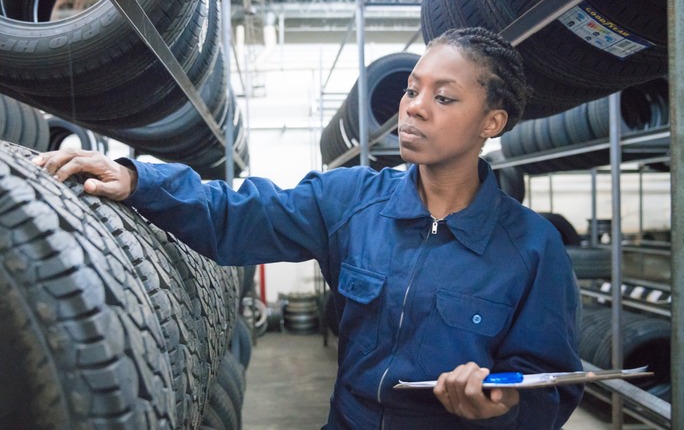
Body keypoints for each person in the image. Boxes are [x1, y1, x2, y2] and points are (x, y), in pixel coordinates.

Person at [33, 26, 583, 429]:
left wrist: (499, 408)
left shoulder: (532, 248)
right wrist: (138, 181)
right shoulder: (350, 202)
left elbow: (550, 387)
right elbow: (236, 213)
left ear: (492, 122)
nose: (414, 109)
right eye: (412, 90)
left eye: (444, 97)